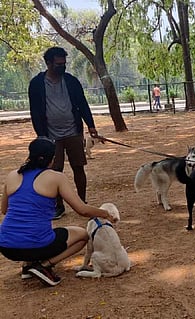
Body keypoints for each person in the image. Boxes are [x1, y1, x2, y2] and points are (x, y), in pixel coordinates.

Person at [0, 137, 116, 286]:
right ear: (52, 158)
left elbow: (4, 210)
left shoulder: (12, 175)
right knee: (82, 235)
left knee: (35, 231)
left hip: (6, 245)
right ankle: (44, 265)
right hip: (36, 244)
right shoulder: (56, 178)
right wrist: (105, 213)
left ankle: (27, 266)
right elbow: (82, 210)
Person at [29, 47, 99, 220]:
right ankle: (58, 206)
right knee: (54, 171)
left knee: (78, 167)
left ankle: (82, 203)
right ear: (48, 63)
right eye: (59, 64)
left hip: (73, 131)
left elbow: (82, 104)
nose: (62, 66)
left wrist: (91, 125)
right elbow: (35, 112)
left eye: (64, 63)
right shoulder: (37, 84)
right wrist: (41, 135)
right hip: (50, 135)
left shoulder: (71, 81)